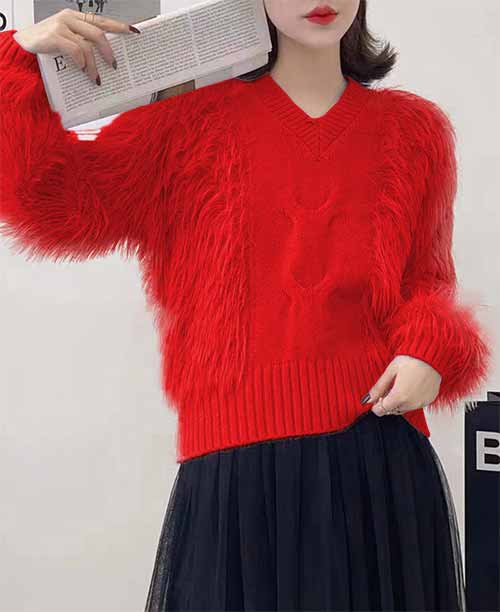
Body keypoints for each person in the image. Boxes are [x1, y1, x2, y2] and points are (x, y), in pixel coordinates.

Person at [0, 2, 493, 610]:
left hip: (380, 467)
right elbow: (53, 204)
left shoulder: (414, 130)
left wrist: (430, 349)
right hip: (237, 480)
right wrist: (18, 62)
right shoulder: (184, 120)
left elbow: (429, 283)